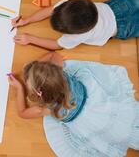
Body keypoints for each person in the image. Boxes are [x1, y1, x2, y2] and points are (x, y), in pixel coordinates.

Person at [8, 52, 139, 156]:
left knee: (121, 134)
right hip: (97, 101)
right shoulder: (60, 72)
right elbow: (54, 55)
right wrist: (36, 69)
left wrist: (19, 87)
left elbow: (22, 113)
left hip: (90, 122)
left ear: (38, 93)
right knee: (128, 116)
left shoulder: (46, 109)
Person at [12, 0, 139, 50]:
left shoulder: (78, 35)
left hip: (122, 28)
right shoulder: (69, 4)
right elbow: (50, 10)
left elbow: (57, 45)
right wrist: (27, 20)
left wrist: (30, 39)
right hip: (116, 6)